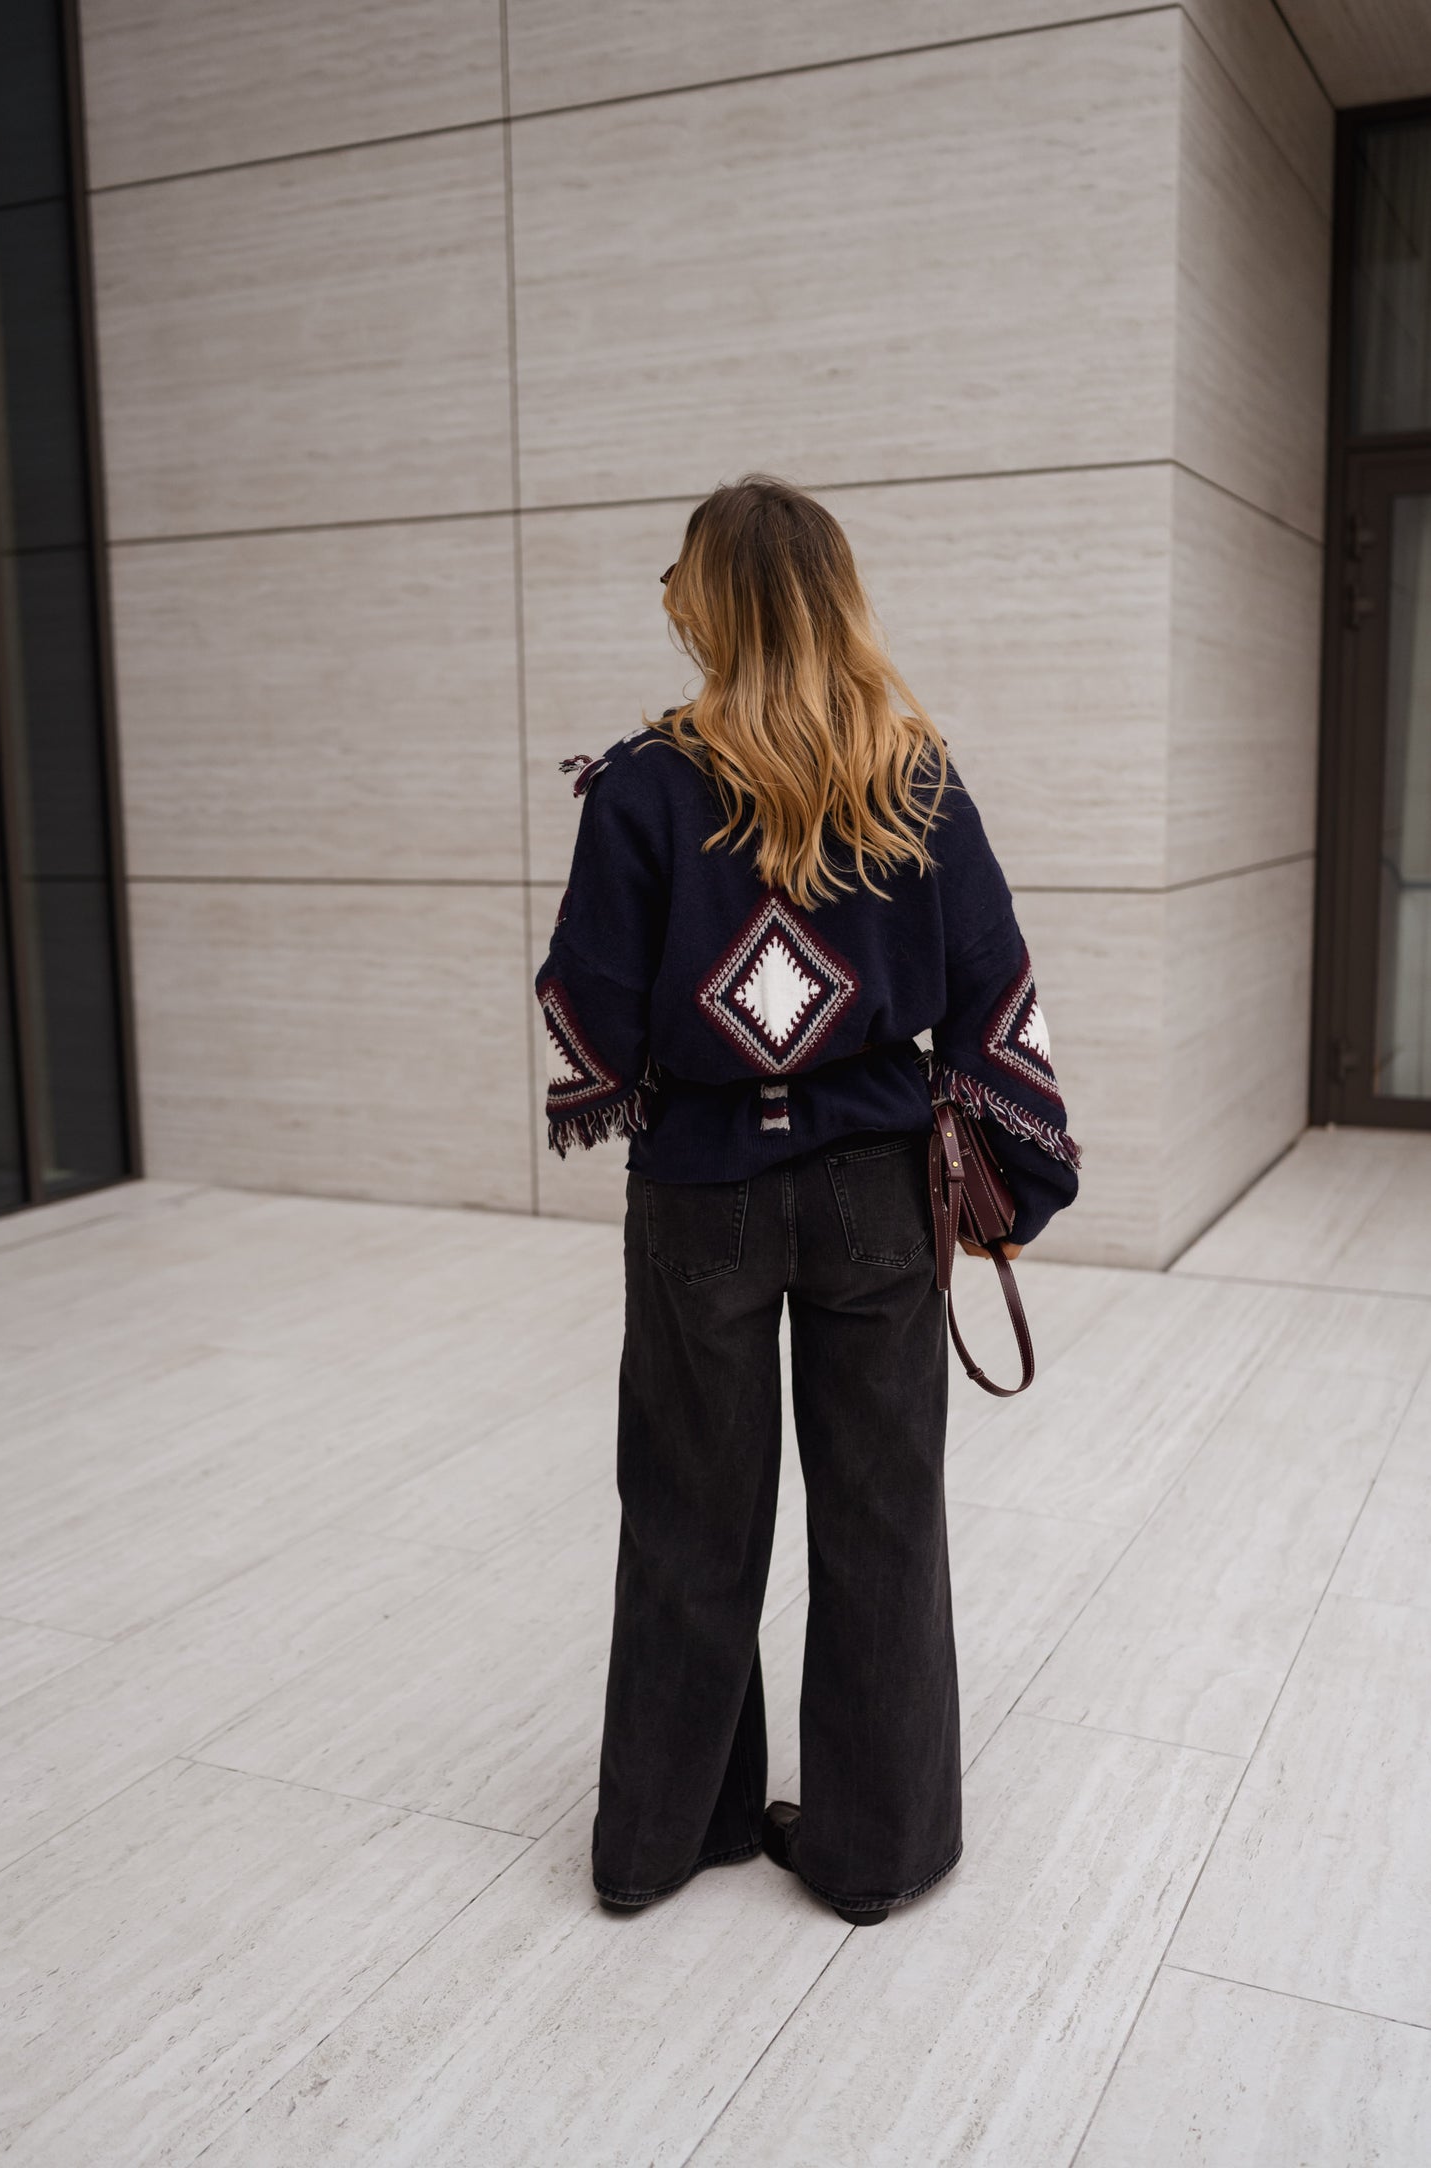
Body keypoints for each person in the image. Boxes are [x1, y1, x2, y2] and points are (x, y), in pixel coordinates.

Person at [535, 475, 1079, 1927]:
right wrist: (1014, 1174)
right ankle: (874, 1851)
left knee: (685, 1519)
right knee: (884, 1518)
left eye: (677, 576)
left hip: (702, 1190)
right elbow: (997, 996)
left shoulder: (642, 786)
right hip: (873, 1194)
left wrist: (670, 1076)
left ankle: (663, 1840)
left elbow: (582, 1007)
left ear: (707, 603)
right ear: (836, 596)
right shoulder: (917, 779)